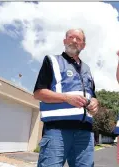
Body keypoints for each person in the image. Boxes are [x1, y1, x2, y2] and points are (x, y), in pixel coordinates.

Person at [33, 28, 99, 167]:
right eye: (71, 37)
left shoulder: (87, 69)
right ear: (64, 41)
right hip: (57, 131)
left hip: (85, 133)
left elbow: (93, 96)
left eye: (78, 39)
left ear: (83, 45)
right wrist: (67, 98)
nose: (74, 41)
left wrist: (94, 103)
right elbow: (38, 93)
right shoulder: (52, 60)